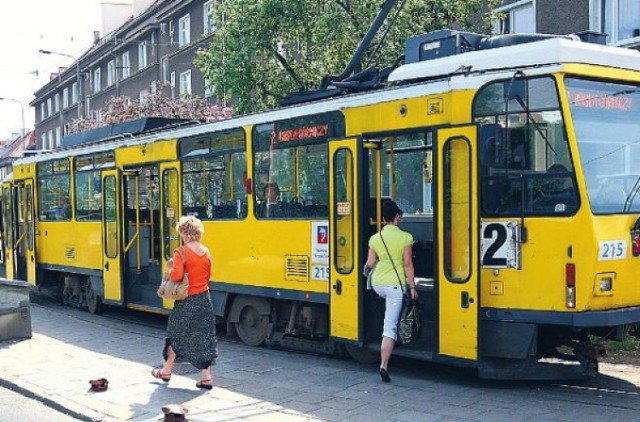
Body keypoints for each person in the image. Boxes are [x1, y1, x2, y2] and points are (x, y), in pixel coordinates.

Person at [151, 215, 218, 390]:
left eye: (181, 232)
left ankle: (166, 371)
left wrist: (170, 267)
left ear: (186, 234)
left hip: (187, 300)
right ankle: (206, 377)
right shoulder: (206, 251)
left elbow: (176, 276)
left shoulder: (180, 252)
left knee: (175, 334)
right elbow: (208, 275)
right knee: (205, 337)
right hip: (204, 299)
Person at [364, 200, 418, 383]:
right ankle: (384, 366)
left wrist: (367, 274)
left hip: (378, 284)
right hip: (395, 285)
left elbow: (370, 264)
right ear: (396, 217)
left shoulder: (375, 238)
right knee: (390, 326)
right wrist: (412, 287)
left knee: (387, 308)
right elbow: (408, 264)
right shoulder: (405, 238)